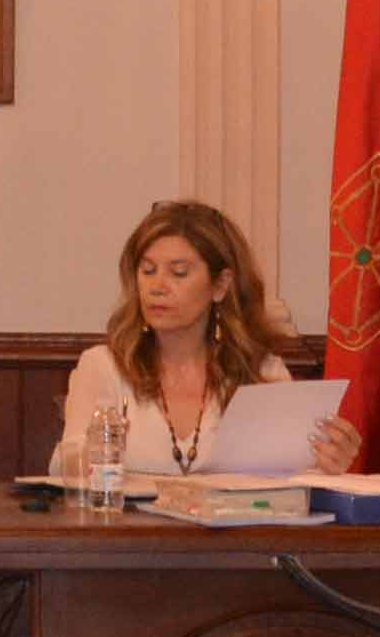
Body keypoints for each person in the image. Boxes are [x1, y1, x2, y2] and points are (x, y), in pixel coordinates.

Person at [52, 201, 358, 480]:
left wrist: (327, 462)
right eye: (147, 271)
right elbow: (64, 468)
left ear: (220, 285)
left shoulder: (262, 372)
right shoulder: (104, 366)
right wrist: (98, 450)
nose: (157, 286)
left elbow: (290, 478)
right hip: (129, 524)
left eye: (178, 273)